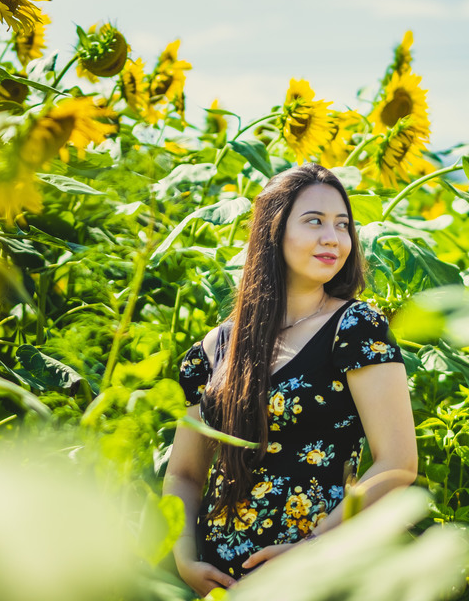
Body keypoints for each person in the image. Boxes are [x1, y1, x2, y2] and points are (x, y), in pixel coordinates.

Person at [162, 163, 418, 596]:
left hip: (314, 579)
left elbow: (397, 464)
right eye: (314, 221)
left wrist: (310, 549)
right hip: (218, 583)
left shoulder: (355, 328)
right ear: (273, 232)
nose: (333, 238)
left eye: (342, 225)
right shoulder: (217, 347)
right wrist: (185, 557)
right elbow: (185, 474)